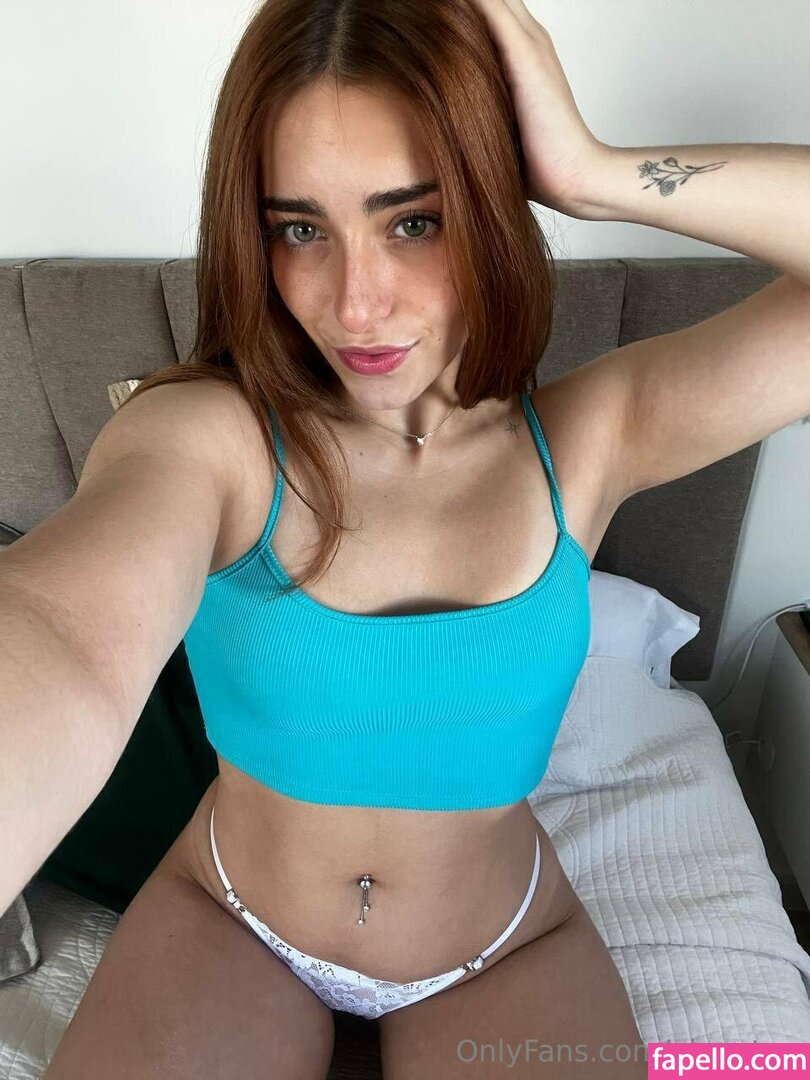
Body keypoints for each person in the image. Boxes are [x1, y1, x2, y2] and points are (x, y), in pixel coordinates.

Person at [3, 2, 652, 1076]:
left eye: (414, 221)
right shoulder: (205, 434)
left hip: (502, 949)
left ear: (494, 205)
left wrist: (596, 175)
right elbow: (58, 628)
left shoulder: (594, 438)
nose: (356, 306)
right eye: (300, 229)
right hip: (231, 919)